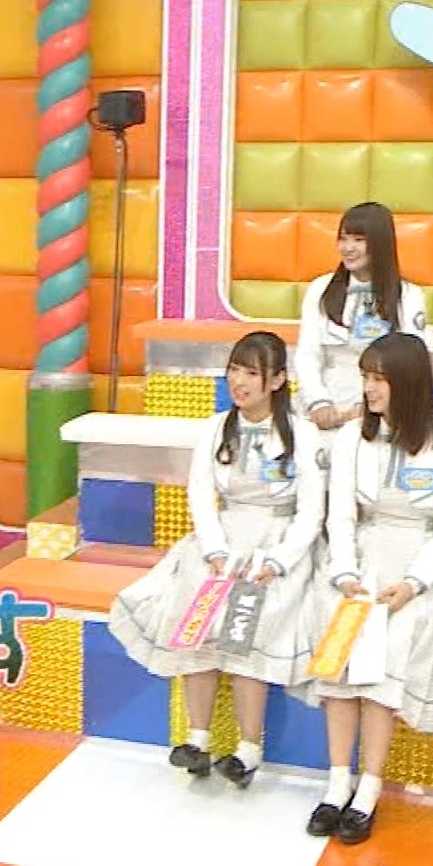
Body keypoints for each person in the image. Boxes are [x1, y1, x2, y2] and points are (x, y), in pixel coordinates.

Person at [108, 332, 326, 788]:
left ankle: (249, 749)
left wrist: (278, 561)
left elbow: (311, 511)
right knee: (197, 620)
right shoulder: (215, 428)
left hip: (275, 543)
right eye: (234, 370)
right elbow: (201, 495)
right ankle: (198, 738)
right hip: (222, 541)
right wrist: (215, 550)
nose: (239, 382)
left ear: (278, 380)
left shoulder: (303, 435)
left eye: (251, 373)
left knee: (247, 629)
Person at [297, 332, 433, 844]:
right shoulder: (353, 436)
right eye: (366, 378)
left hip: (422, 563)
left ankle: (369, 788)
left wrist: (413, 583)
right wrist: (345, 572)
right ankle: (337, 783)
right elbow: (341, 517)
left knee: (391, 651)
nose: (370, 389)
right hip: (363, 557)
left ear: (409, 382)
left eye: (380, 379)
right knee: (341, 644)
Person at [294, 202, 431, 434]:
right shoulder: (320, 289)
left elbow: (410, 364)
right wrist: (318, 402)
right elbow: (308, 354)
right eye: (343, 239)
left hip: (380, 410)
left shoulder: (408, 295)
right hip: (325, 408)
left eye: (358, 240)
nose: (348, 248)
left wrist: (370, 407)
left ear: (380, 243)